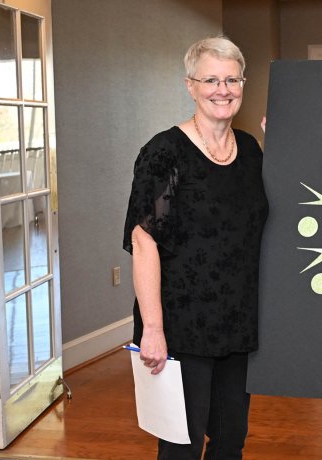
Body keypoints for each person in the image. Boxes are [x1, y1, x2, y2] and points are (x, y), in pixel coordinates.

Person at [123, 36, 267, 459]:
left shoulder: (251, 153)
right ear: (191, 86)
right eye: (210, 80)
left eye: (231, 79)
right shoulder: (164, 153)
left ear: (243, 83)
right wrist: (153, 330)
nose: (222, 89)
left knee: (230, 440)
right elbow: (143, 240)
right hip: (180, 326)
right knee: (180, 445)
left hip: (236, 323)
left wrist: (287, 149)